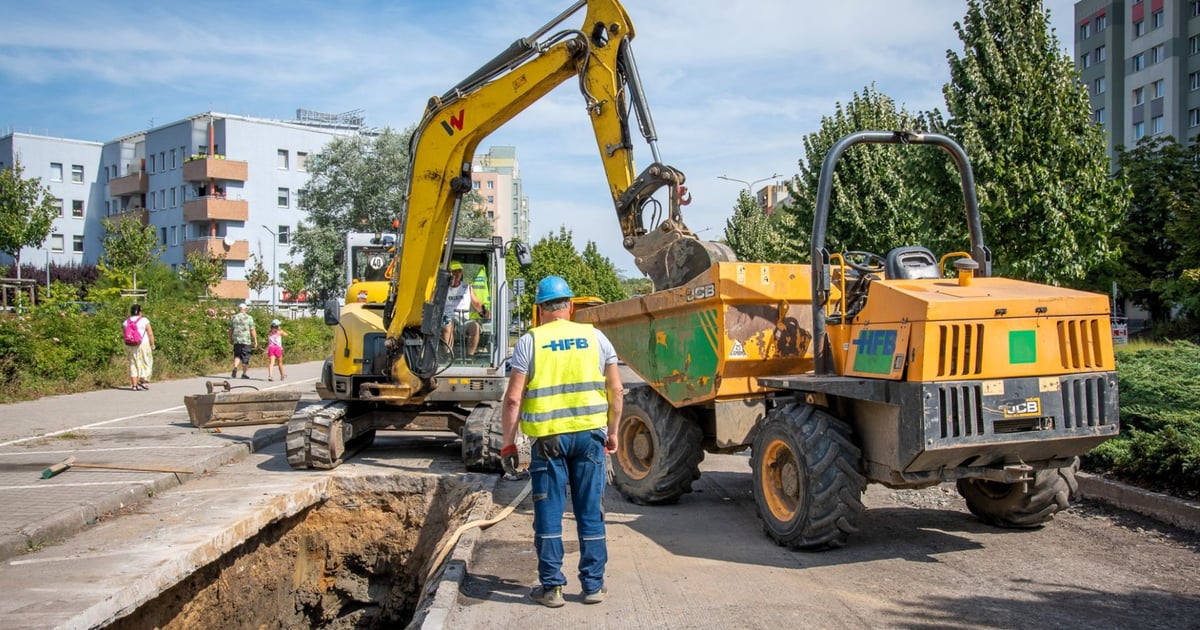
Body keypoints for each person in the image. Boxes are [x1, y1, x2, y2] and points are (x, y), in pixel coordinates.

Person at [500, 275, 623, 608]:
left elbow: (513, 398)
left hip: (549, 442)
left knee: (549, 514)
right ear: (570, 306)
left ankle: (552, 588)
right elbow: (616, 390)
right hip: (590, 438)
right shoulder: (596, 338)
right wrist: (612, 431)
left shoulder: (530, 342)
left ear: (540, 309)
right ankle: (593, 587)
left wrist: (508, 444)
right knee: (590, 512)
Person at [442, 260, 489, 357]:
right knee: (447, 325)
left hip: (464, 318)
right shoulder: (442, 288)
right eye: (454, 271)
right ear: (449, 273)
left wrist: (484, 312)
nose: (457, 273)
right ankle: (448, 356)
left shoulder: (467, 287)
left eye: (459, 271)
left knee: (475, 327)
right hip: (448, 316)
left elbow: (476, 303)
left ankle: (469, 357)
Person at [122, 304, 155, 391]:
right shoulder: (144, 320)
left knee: (133, 363)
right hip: (143, 345)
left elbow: (124, 335)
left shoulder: (125, 322)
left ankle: (134, 386)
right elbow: (150, 333)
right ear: (140, 312)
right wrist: (152, 344)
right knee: (145, 362)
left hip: (130, 345)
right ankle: (143, 381)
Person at [229, 302, 258, 380]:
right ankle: (244, 374)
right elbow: (252, 329)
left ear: (239, 309)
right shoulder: (249, 318)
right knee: (245, 357)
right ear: (245, 309)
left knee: (237, 355)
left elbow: (231, 329)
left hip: (237, 340)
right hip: (246, 341)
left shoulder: (233, 317)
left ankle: (235, 367)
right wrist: (255, 340)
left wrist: (230, 338)